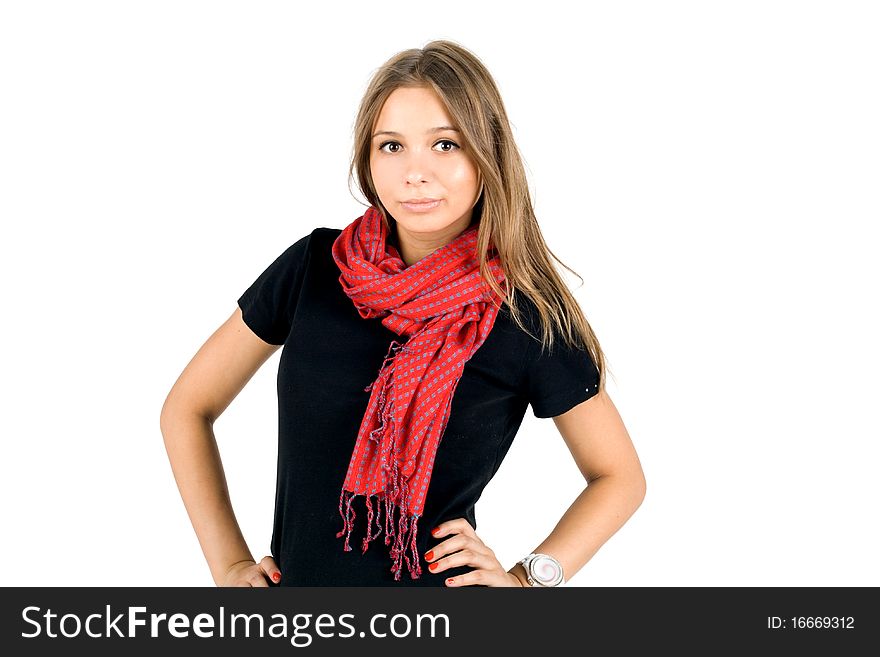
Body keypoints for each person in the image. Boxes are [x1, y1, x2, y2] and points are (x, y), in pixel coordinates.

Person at [160, 39, 646, 587]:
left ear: (488, 157)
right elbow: (187, 408)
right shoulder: (316, 268)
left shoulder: (527, 312)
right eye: (391, 146)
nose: (415, 172)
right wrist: (228, 564)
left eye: (445, 144)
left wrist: (527, 580)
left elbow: (618, 477)